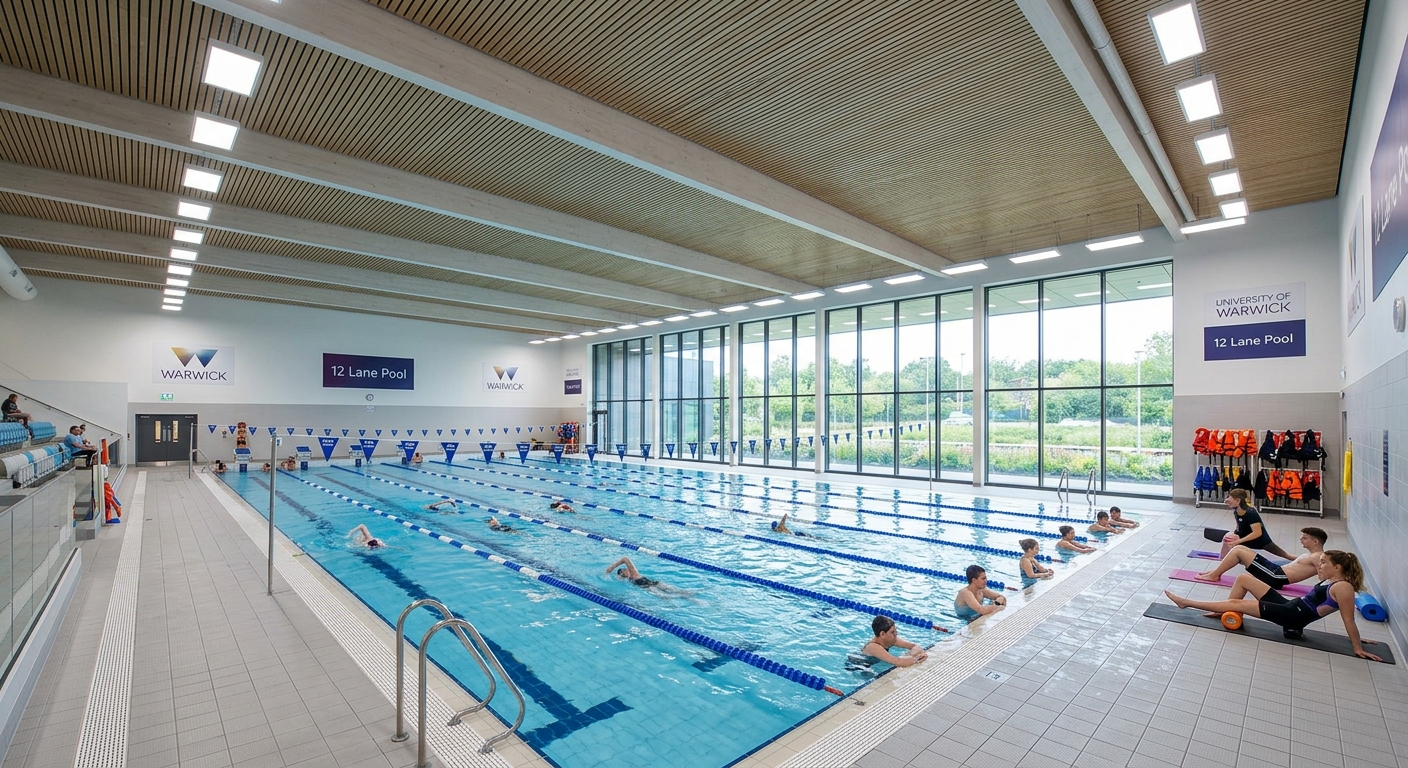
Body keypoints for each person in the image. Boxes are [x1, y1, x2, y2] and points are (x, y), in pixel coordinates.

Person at [1164, 550, 1382, 661]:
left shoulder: (1343, 587)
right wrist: (1357, 638)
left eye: (1324, 562)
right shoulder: (1334, 581)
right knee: (1244, 579)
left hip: (1292, 616)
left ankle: (1186, 603)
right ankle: (1224, 610)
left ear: (1337, 567)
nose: (1320, 565)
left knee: (1238, 602)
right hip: (1292, 607)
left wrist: (1357, 646)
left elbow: (1347, 618)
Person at [1197, 527, 1328, 588]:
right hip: (1276, 571)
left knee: (1238, 550)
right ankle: (1214, 572)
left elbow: (1325, 575)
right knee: (1241, 548)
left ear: (1315, 541)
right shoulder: (1311, 555)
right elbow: (1295, 561)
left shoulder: (1318, 557)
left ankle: (1214, 575)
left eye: (1305, 538)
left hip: (1276, 576)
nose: (1301, 539)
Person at [1222, 489, 1295, 560]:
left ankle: (1303, 560)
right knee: (1228, 541)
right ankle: (1227, 559)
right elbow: (1239, 524)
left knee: (1286, 555)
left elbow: (1257, 533)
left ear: (1238, 501)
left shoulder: (1251, 513)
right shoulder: (1236, 510)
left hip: (1261, 541)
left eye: (1230, 497)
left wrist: (1239, 541)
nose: (1228, 499)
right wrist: (1236, 534)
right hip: (1246, 538)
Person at [859, 615, 929, 668]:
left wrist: (910, 655)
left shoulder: (892, 639)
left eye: (895, 630)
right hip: (858, 667)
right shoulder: (873, 647)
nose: (896, 633)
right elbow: (898, 662)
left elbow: (915, 646)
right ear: (882, 634)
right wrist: (917, 659)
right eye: (892, 632)